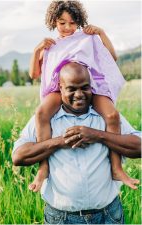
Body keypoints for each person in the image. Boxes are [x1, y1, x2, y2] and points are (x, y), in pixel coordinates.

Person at [28, 0, 138, 192]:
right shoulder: (50, 45)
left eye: (72, 23)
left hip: (90, 86)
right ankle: (43, 168)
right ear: (53, 21)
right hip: (59, 89)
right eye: (62, 23)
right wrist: (37, 50)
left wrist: (101, 33)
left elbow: (112, 57)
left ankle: (116, 168)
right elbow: (34, 75)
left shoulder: (87, 38)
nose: (68, 27)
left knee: (112, 116)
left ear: (79, 21)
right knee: (41, 114)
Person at [12, 62, 141, 224]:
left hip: (108, 215)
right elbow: (18, 157)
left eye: (84, 87)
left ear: (91, 86)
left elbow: (139, 146)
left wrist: (97, 135)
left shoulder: (107, 116)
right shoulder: (45, 119)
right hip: (61, 218)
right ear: (60, 88)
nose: (79, 94)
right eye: (71, 89)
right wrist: (60, 141)